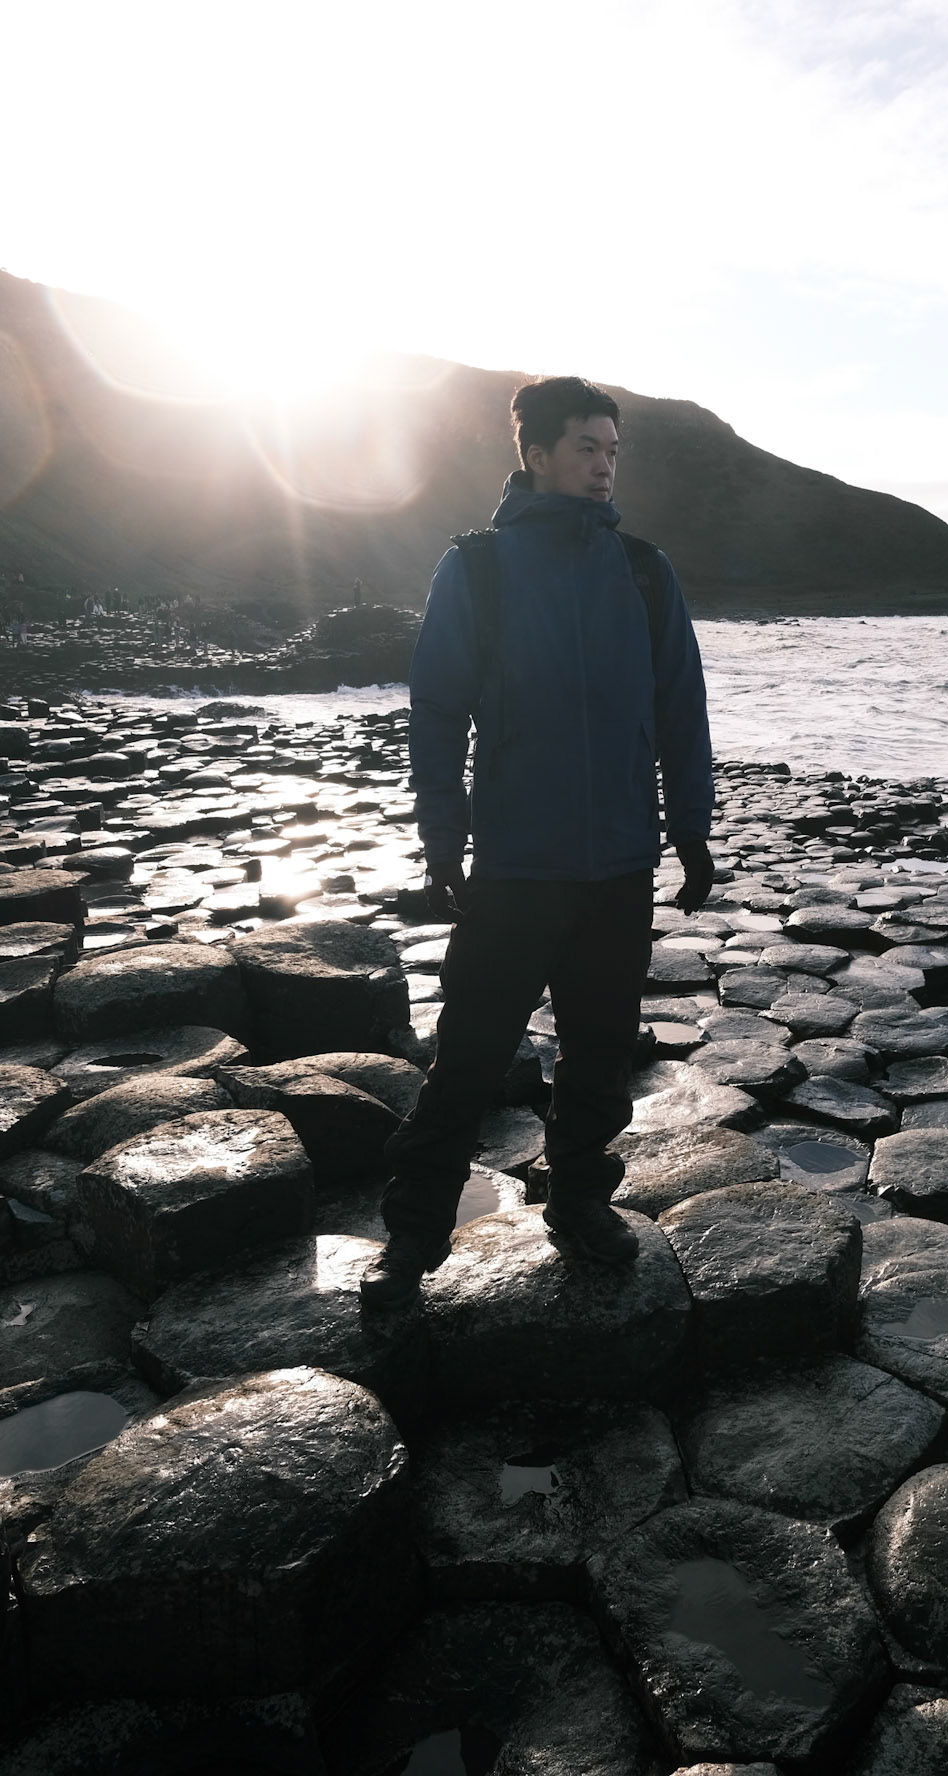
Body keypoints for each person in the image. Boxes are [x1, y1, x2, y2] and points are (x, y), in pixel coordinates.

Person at [361, 375, 715, 1311]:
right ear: (538, 454)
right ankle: (411, 1240)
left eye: (612, 449)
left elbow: (681, 709)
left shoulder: (643, 569)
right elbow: (436, 713)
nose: (604, 466)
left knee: (599, 1056)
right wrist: (444, 841)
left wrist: (692, 831)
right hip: (516, 868)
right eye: (587, 447)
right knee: (471, 1058)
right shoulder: (476, 568)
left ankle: (580, 1207)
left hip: (619, 869)